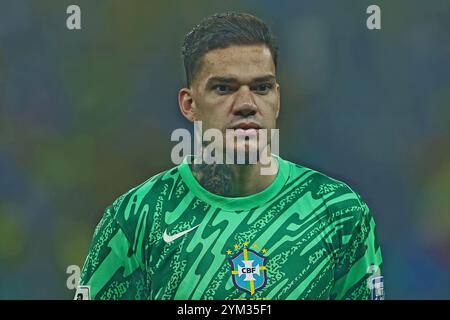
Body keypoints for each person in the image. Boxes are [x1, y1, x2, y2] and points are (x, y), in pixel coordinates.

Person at [76, 12, 384, 300]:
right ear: (189, 104)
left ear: (277, 99)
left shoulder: (339, 212)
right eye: (224, 88)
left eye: (262, 88)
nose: (246, 104)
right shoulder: (136, 218)